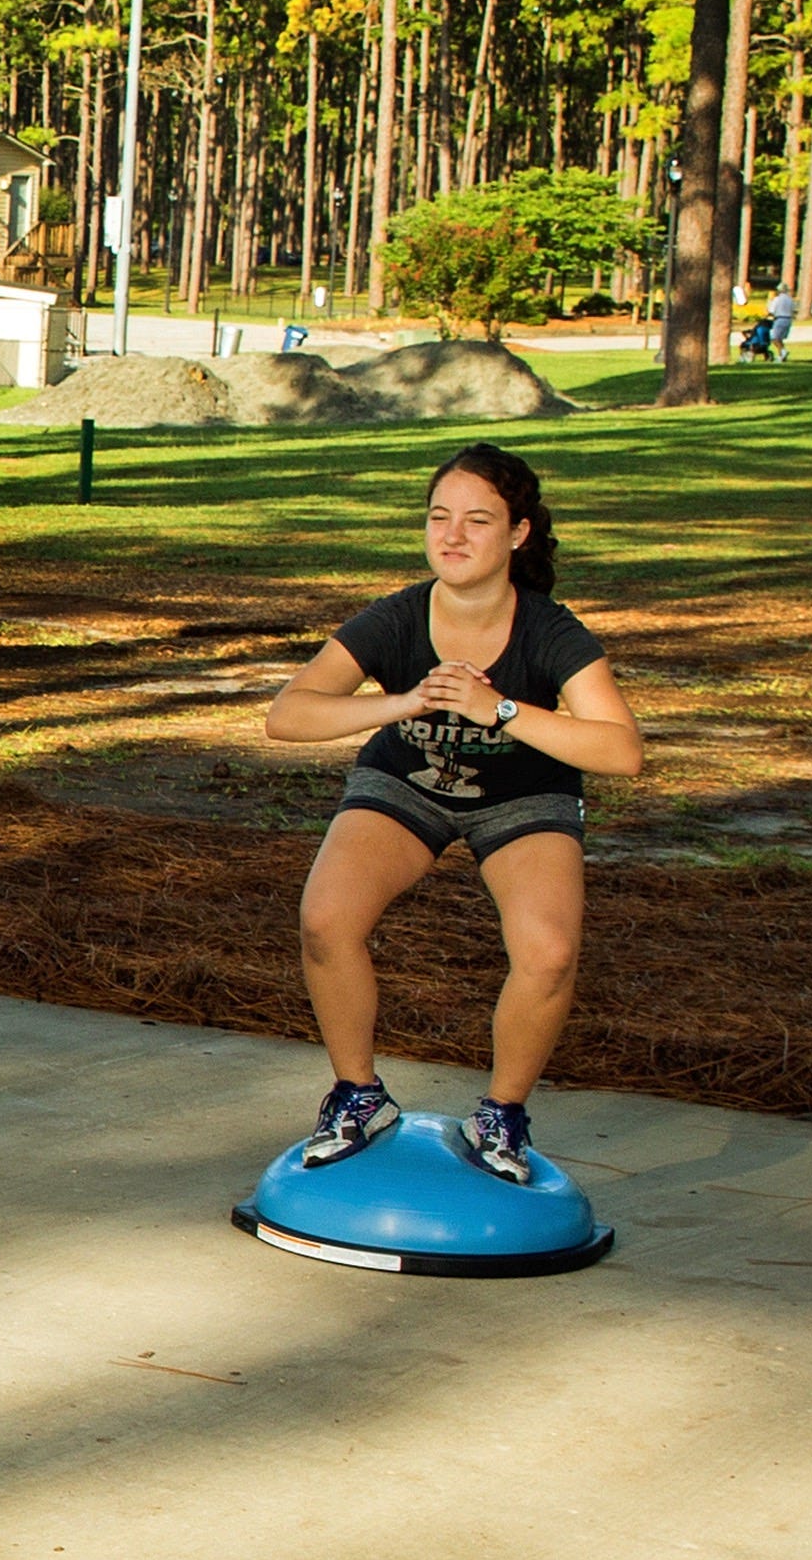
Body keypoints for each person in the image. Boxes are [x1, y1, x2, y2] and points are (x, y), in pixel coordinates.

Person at [257, 443, 647, 1186]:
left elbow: (621, 750)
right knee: (326, 918)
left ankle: (502, 1114)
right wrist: (406, 701)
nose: (454, 536)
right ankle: (357, 1096)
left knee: (549, 952)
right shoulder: (398, 617)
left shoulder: (550, 630)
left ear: (519, 534)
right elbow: (288, 714)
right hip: (407, 782)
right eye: (440, 518)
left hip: (524, 795)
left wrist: (496, 709)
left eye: (477, 520)